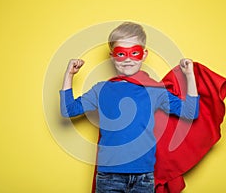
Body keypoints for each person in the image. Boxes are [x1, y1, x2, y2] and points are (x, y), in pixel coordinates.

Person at [59, 22, 200, 193]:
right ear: (112, 56)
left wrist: (190, 75)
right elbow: (68, 110)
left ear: (144, 55)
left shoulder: (154, 90)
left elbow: (190, 112)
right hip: (109, 177)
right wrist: (69, 74)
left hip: (144, 177)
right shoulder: (101, 89)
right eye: (121, 53)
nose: (127, 59)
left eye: (134, 52)